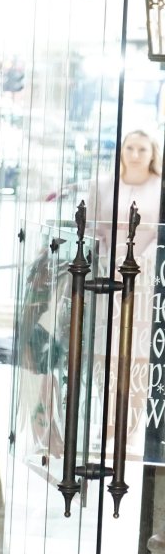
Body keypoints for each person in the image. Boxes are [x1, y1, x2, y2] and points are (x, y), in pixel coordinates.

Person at [93, 129, 163, 459]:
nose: (135, 154)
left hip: (146, 280)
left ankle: (132, 431)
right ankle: (106, 427)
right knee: (106, 351)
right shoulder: (103, 184)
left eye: (142, 149)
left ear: (152, 153)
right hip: (107, 276)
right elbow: (93, 227)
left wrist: (144, 264)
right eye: (130, 147)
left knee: (137, 353)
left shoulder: (160, 187)